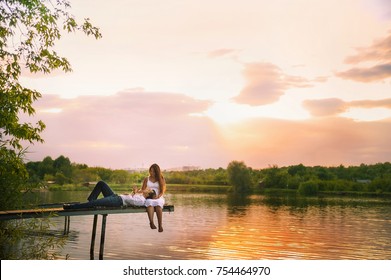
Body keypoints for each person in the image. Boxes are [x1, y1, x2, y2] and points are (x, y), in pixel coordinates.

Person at [63, 181, 156, 210]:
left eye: (149, 189)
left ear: (148, 194)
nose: (147, 188)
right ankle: (91, 202)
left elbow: (129, 201)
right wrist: (133, 193)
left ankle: (71, 207)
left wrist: (133, 193)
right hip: (115, 196)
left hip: (117, 201)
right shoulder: (140, 196)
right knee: (101, 183)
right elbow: (130, 198)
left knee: (95, 203)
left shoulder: (141, 200)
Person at [142, 163, 166, 232]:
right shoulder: (146, 179)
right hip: (149, 197)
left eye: (153, 171)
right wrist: (147, 193)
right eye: (150, 171)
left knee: (158, 205)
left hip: (158, 197)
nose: (151, 173)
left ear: (157, 172)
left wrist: (158, 196)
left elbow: (162, 191)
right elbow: (143, 189)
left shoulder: (161, 179)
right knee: (149, 203)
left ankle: (160, 225)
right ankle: (151, 222)